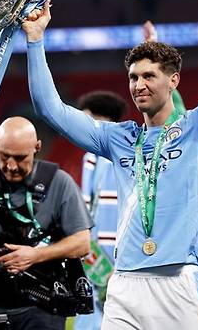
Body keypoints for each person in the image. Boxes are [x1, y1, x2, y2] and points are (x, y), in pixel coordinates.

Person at [23, 0, 198, 328]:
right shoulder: (119, 138)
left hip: (179, 282)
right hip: (125, 283)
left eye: (149, 76)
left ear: (173, 81)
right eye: (133, 77)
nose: (138, 85)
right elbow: (50, 108)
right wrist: (35, 41)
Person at [0, 116, 92, 330]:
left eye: (20, 158)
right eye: (4, 156)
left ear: (37, 147)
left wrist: (35, 255)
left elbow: (82, 243)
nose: (11, 166)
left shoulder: (59, 182)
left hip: (41, 310)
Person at [74, 90, 128, 330]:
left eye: (86, 119)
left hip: (106, 251)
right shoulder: (95, 155)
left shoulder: (109, 155)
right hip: (99, 250)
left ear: (102, 120)